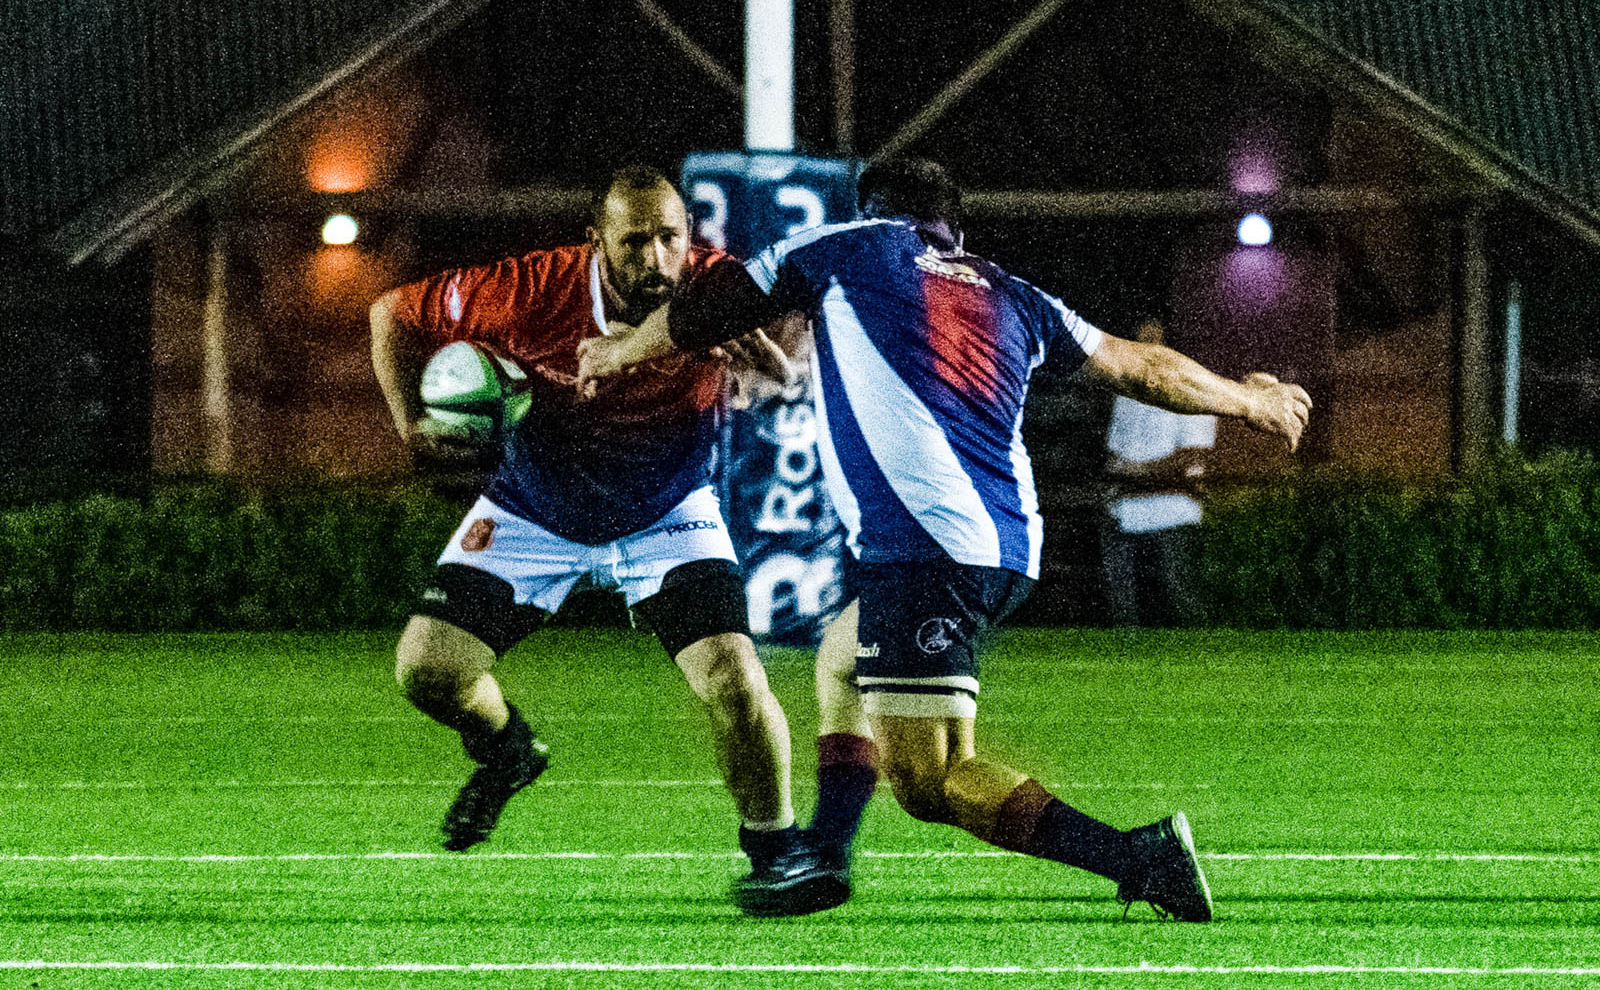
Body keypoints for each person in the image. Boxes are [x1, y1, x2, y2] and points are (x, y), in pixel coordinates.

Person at [576, 157, 1312, 921]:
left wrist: (618, 350)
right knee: (841, 659)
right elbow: (1140, 364)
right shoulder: (1011, 290)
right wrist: (1245, 401)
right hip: (999, 544)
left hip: (927, 548)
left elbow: (705, 306)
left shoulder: (844, 247)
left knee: (930, 782)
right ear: (952, 226)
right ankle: (822, 854)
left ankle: (1138, 859)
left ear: (871, 211)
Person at [368, 164, 843, 917]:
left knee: (735, 678)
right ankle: (508, 752)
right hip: (534, 509)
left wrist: (773, 372)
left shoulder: (718, 286)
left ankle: (777, 849)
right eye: (634, 243)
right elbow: (393, 310)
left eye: (670, 239)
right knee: (427, 670)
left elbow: (795, 346)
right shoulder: (526, 290)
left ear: (691, 237)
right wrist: (408, 424)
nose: (656, 259)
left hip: (667, 511)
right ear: (596, 244)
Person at [1102, 317, 1216, 627]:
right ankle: (1126, 661)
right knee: (1123, 601)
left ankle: (1198, 658)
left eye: (1153, 330)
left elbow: (1194, 451)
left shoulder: (1189, 381)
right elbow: (1114, 449)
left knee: (1179, 594)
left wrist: (1141, 470)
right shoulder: (1126, 387)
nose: (1145, 338)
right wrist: (1115, 481)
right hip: (1126, 509)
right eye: (1140, 332)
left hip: (1173, 509)